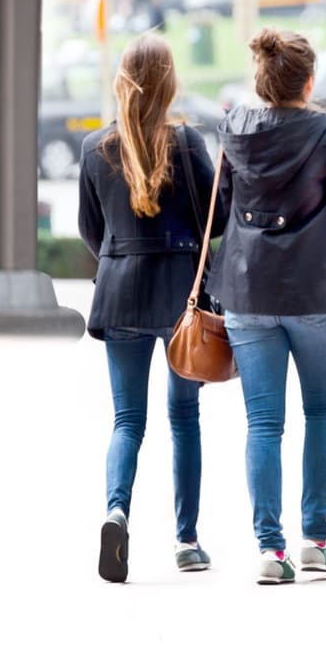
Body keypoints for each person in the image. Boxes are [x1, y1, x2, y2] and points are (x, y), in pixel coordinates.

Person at [216, 28, 326, 584]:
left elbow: (225, 205)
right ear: (308, 81)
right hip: (314, 292)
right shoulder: (325, 134)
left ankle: (270, 550)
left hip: (248, 292)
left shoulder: (233, 128)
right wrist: (324, 250)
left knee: (263, 423)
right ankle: (315, 540)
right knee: (321, 413)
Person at [77, 33, 219, 583]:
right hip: (180, 299)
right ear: (169, 83)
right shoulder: (188, 145)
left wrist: (117, 260)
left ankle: (116, 511)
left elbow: (92, 231)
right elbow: (216, 222)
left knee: (127, 420)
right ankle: (186, 541)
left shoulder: (94, 149)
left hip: (118, 295)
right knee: (184, 418)